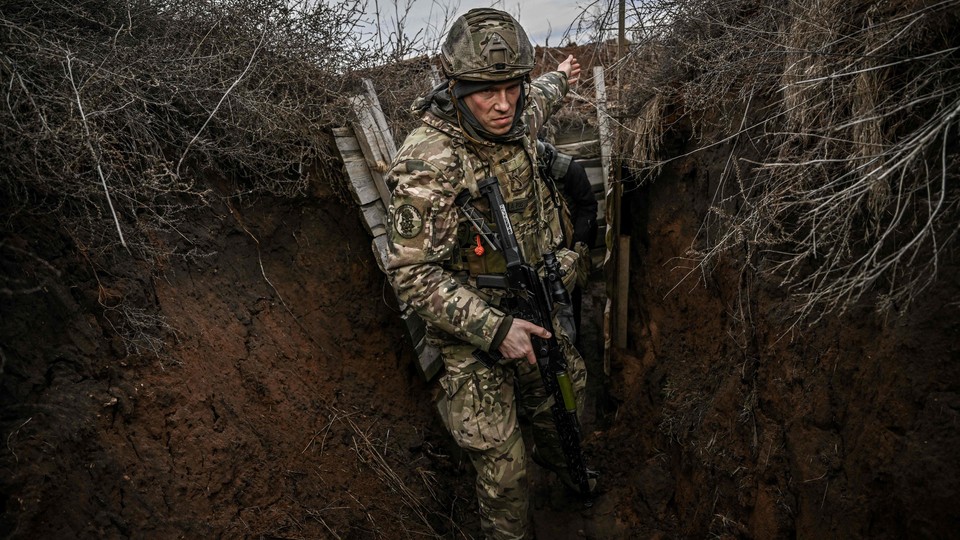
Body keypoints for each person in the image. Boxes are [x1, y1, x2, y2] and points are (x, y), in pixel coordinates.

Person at [381, 8, 593, 539]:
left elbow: (541, 94)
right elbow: (412, 276)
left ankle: (571, 475)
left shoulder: (518, 113)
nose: (502, 104)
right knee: (504, 471)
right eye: (484, 91)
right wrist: (497, 332)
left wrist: (561, 76)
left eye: (510, 87)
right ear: (455, 88)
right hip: (472, 332)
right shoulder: (427, 163)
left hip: (535, 305)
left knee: (565, 401)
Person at [536, 139, 598, 346]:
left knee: (571, 302)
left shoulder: (568, 169)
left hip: (566, 250)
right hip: (536, 253)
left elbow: (588, 206)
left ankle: (575, 346)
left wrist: (576, 247)